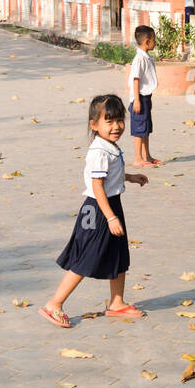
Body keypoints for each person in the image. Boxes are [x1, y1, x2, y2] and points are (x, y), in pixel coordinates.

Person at [40, 94, 150, 328]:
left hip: (110, 205)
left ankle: (117, 303)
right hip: (98, 210)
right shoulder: (99, 151)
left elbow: (109, 177)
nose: (116, 127)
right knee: (86, 258)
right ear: (94, 124)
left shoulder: (109, 146)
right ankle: (54, 304)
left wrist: (129, 178)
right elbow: (97, 186)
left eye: (119, 120)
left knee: (119, 255)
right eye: (108, 122)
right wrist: (110, 217)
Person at [128, 25, 160, 167]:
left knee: (146, 128)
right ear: (147, 41)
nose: (155, 42)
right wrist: (136, 100)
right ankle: (138, 158)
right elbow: (136, 79)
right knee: (139, 128)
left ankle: (147, 155)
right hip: (139, 97)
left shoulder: (146, 57)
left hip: (146, 97)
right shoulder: (139, 59)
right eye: (154, 40)